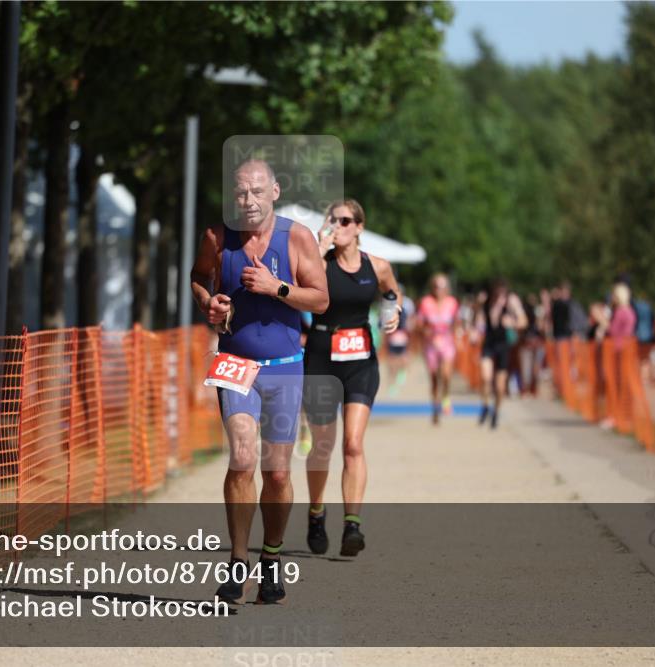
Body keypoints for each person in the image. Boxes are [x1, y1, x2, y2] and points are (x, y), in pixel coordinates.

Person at [190, 158, 328, 604]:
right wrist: (209, 303)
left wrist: (277, 288)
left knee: (278, 471)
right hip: (236, 365)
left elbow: (321, 300)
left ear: (274, 191)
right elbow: (197, 277)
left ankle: (271, 558)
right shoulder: (216, 237)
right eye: (239, 193)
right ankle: (237, 560)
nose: (247, 201)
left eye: (255, 191)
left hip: (286, 366)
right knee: (243, 457)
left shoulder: (297, 238)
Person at [301, 199, 401, 557]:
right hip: (321, 357)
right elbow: (294, 287)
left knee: (353, 444)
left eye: (345, 221)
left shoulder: (377, 266)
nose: (338, 226)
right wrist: (317, 249)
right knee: (323, 445)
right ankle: (316, 511)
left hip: (360, 359)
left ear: (360, 226)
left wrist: (394, 311)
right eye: (333, 221)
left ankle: (352, 526)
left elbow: (392, 291)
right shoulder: (318, 263)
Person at [474, 278, 528, 429]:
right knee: (485, 377)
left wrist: (513, 323)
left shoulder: (511, 301)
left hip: (503, 344)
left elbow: (524, 321)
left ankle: (496, 411)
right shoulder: (486, 301)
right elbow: (477, 318)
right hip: (489, 342)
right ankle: (485, 406)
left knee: (499, 386)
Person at [417, 273, 459, 423]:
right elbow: (419, 324)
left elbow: (456, 323)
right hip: (431, 344)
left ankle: (446, 396)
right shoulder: (426, 302)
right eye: (436, 286)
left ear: (447, 288)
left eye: (441, 286)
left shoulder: (452, 302)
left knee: (446, 375)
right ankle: (435, 407)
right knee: (434, 378)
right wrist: (425, 331)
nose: (438, 289)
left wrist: (456, 337)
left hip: (447, 342)